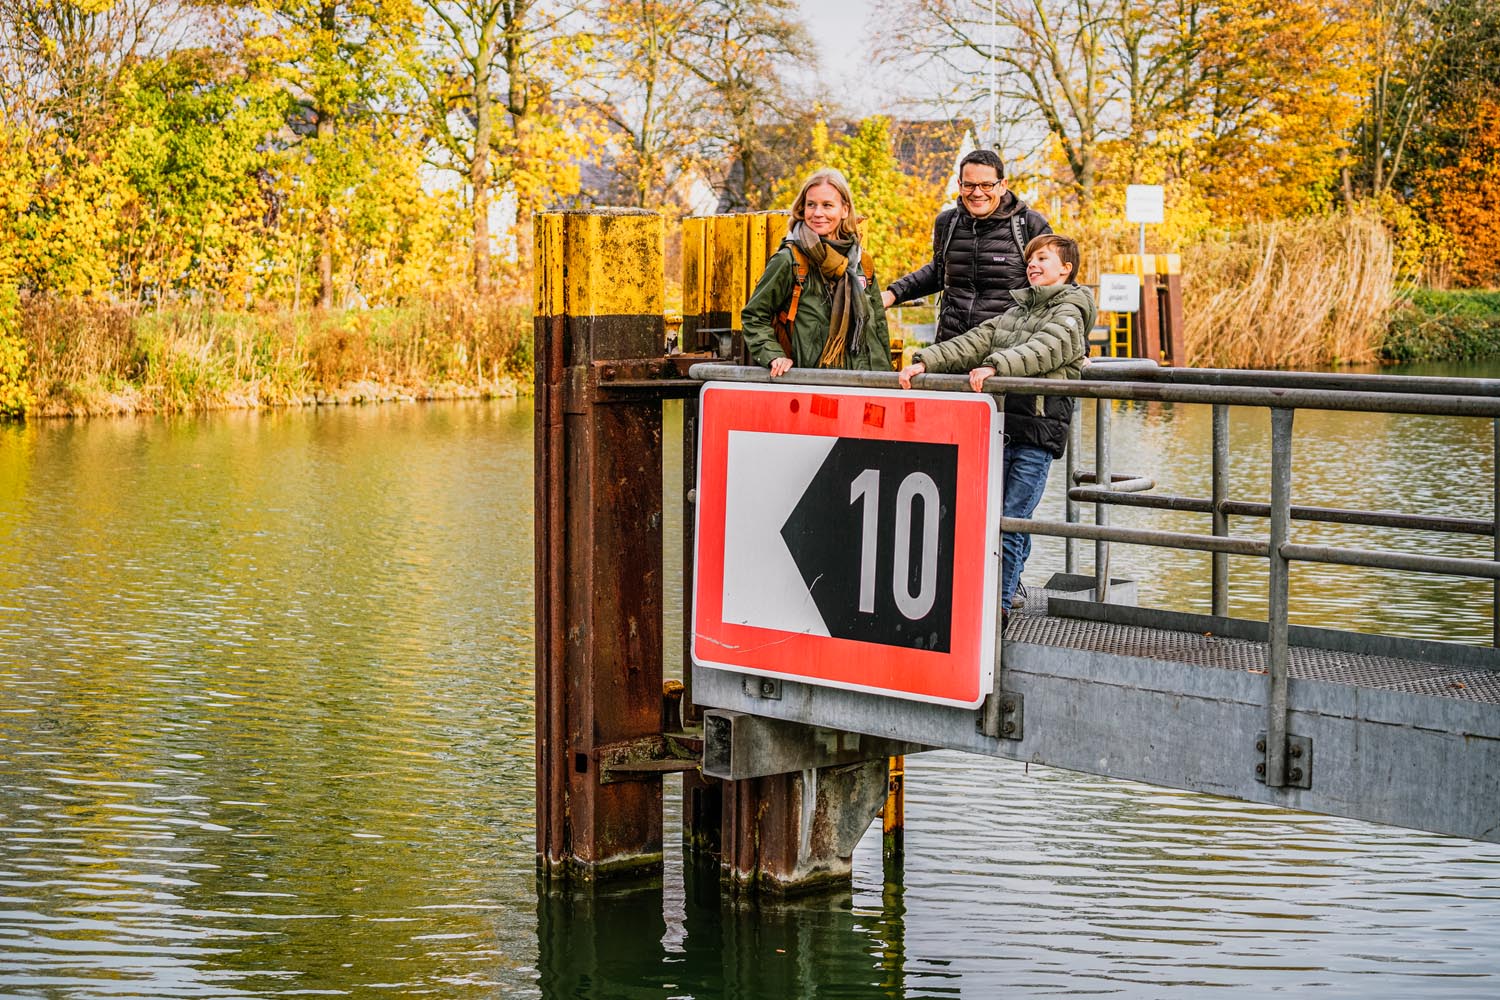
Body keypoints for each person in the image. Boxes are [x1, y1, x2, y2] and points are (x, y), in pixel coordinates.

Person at [896, 234, 1096, 626]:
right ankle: (1005, 589)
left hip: (1037, 432)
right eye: (1030, 259)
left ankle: (999, 607)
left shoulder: (1071, 310)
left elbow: (1046, 349)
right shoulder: (1018, 310)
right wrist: (925, 362)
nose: (1032, 265)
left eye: (1042, 259)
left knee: (1011, 517)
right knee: (997, 518)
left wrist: (996, 367)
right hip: (1004, 427)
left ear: (1065, 268)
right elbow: (974, 341)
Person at [740, 168, 891, 375]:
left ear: (844, 210)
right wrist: (774, 355)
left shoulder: (861, 263)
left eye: (827, 205)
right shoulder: (790, 260)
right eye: (811, 205)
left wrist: (885, 380)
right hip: (812, 387)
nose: (817, 213)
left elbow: (878, 329)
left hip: (861, 386)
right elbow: (754, 316)